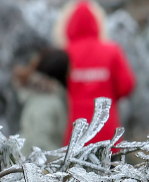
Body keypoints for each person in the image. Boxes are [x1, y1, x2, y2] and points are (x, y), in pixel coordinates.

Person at [55, 1, 135, 146]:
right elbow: (127, 85)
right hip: (108, 135)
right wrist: (108, 94)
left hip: (74, 136)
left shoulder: (64, 54)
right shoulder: (112, 51)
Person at [14, 47, 70, 154]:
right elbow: (39, 142)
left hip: (31, 162)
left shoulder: (43, 95)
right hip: (39, 165)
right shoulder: (49, 101)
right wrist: (62, 161)